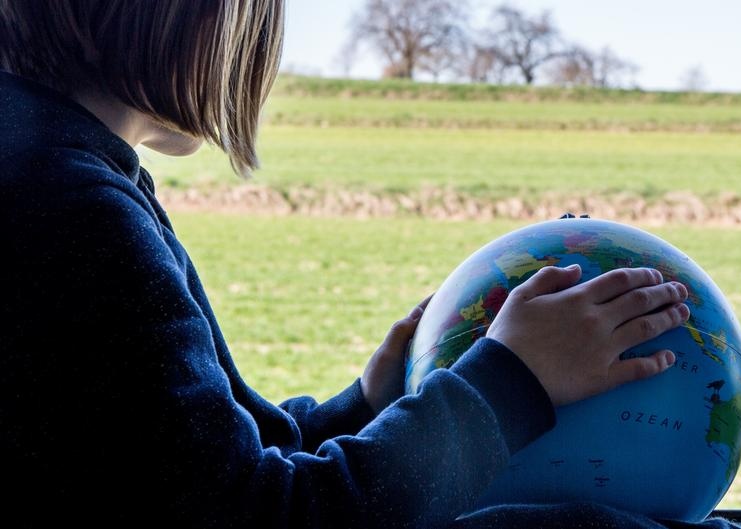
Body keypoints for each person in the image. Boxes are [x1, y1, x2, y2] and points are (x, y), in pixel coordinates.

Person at [0, 1, 689, 526]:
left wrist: (362, 408)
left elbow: (184, 465)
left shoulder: (49, 162)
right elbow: (258, 513)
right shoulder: (70, 204)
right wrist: (509, 382)